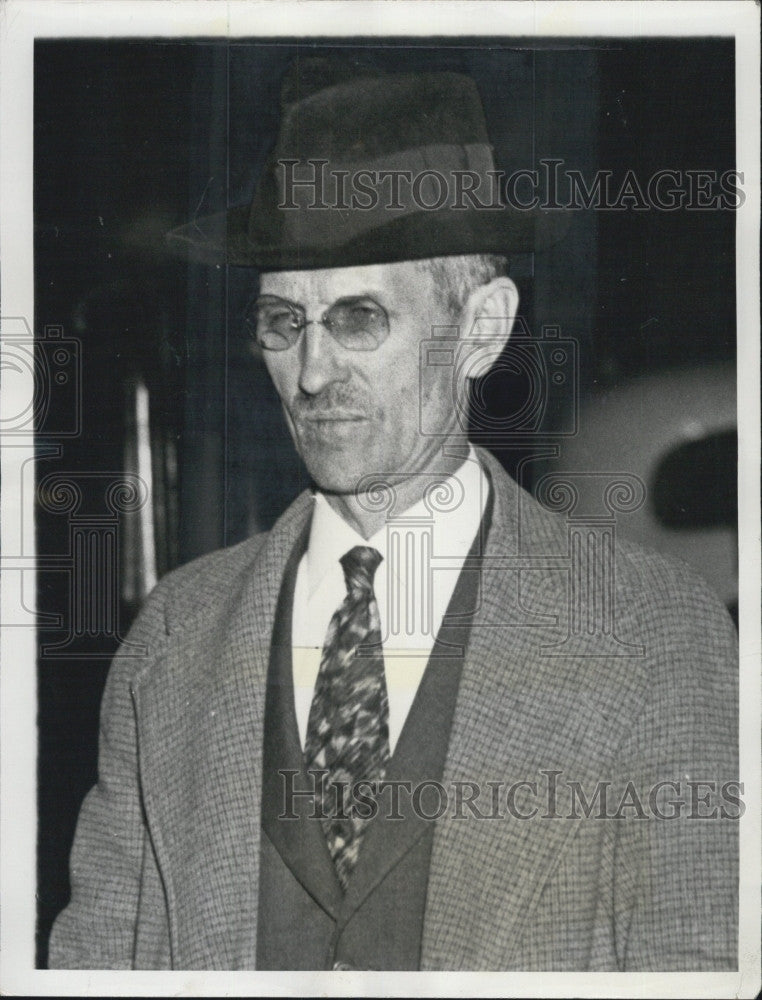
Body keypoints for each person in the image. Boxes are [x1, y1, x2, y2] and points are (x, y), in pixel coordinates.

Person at [49, 59, 738, 972]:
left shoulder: (657, 635)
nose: (313, 373)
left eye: (359, 319)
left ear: (483, 329)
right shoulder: (170, 643)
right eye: (282, 323)